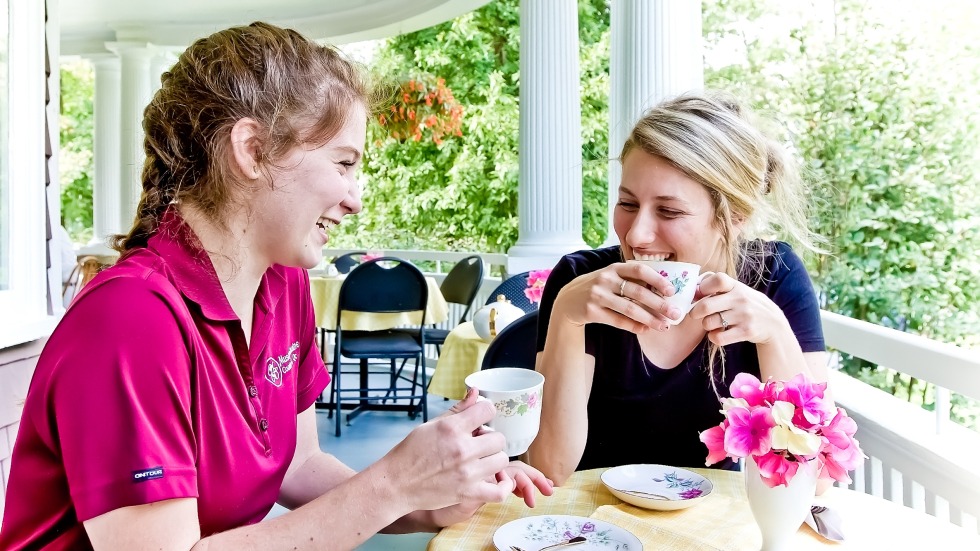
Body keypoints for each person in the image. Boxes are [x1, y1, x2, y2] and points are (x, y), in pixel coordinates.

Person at [0, 22, 551, 550]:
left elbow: (299, 463)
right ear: (254, 150)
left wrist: (431, 495)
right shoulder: (130, 319)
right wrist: (392, 483)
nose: (354, 198)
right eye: (343, 162)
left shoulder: (283, 286)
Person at [527, 92, 829, 485]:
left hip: (711, 528)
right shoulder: (580, 283)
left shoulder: (775, 277)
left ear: (735, 217)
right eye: (627, 203)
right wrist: (566, 317)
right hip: (593, 524)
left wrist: (775, 334)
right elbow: (547, 470)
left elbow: (816, 478)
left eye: (669, 211)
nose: (636, 235)